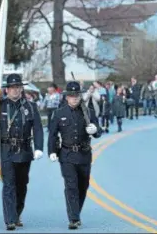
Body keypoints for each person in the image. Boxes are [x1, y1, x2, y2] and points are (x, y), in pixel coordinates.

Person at [0, 74, 44, 231]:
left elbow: (37, 128)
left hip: (24, 150)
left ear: (21, 88)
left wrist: (38, 148)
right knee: (9, 184)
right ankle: (10, 219)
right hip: (6, 150)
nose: (15, 90)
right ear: (7, 89)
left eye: (18, 87)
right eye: (12, 87)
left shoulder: (30, 106)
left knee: (22, 185)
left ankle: (17, 213)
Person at [47, 81, 102, 230]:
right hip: (67, 154)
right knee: (71, 186)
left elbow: (99, 131)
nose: (74, 98)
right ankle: (73, 218)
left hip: (84, 154)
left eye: (77, 95)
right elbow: (52, 134)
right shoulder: (59, 113)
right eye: (71, 96)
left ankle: (75, 211)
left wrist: (95, 129)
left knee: (83, 186)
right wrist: (51, 151)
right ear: (66, 97)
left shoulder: (88, 112)